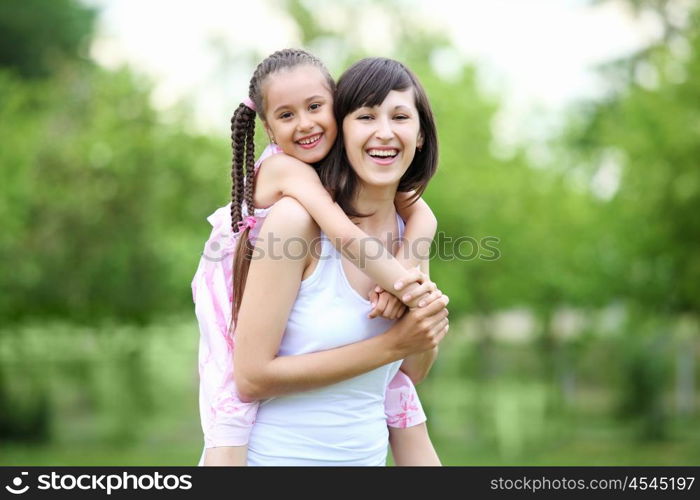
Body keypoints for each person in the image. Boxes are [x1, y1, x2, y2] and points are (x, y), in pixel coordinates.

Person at [192, 49, 446, 466]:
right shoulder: (297, 218)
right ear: (343, 127)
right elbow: (251, 376)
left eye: (400, 117)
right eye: (366, 117)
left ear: (421, 135)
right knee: (226, 416)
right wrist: (397, 334)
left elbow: (406, 374)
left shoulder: (407, 230)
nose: (383, 132)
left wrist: (421, 332)